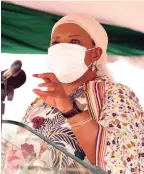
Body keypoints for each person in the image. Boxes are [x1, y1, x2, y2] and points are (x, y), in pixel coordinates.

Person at [4, 13, 144, 174]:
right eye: (55, 42)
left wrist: (70, 110)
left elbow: (124, 162)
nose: (61, 48)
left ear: (95, 53)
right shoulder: (40, 102)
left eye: (74, 41)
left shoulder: (116, 94)